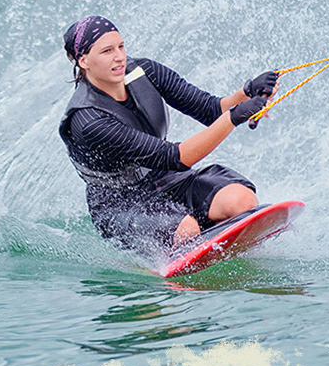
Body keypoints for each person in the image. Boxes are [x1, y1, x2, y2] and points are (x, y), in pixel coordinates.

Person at [58, 16, 279, 258]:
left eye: (121, 46)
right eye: (107, 51)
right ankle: (185, 243)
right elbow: (176, 157)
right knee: (186, 230)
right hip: (120, 203)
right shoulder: (88, 120)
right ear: (83, 60)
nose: (119, 56)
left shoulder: (146, 71)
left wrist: (247, 93)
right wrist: (234, 118)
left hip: (164, 179)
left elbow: (211, 110)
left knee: (242, 201)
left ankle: (202, 236)